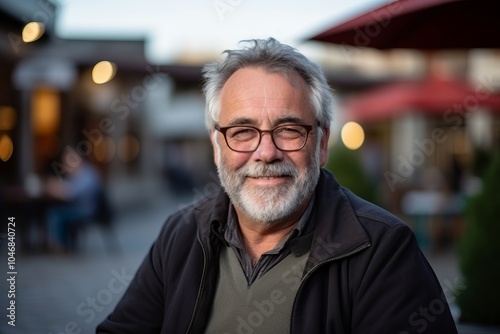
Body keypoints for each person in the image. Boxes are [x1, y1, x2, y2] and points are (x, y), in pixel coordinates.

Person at [97, 38, 457, 333]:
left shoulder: (383, 251)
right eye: (242, 132)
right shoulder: (181, 235)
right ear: (216, 146)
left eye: (288, 130)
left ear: (321, 143)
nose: (266, 152)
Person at [44, 149, 103, 252]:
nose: (68, 164)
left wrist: (54, 187)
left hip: (86, 210)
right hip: (82, 207)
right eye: (66, 161)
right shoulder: (79, 173)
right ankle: (62, 244)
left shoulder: (86, 174)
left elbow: (70, 193)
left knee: (56, 214)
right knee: (55, 211)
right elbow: (69, 188)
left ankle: (59, 245)